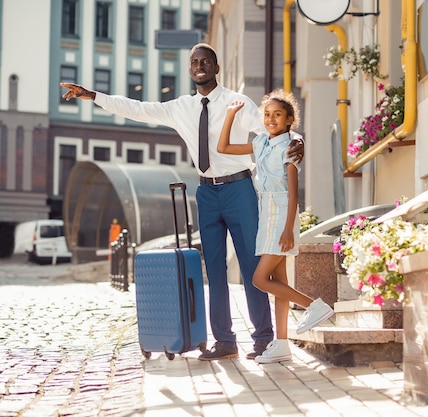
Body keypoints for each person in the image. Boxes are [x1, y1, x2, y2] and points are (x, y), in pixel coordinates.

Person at [60, 43, 304, 361]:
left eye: (205, 61)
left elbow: (271, 130)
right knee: (214, 270)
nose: (199, 65)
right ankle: (226, 341)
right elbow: (138, 108)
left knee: (251, 266)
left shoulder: (237, 102)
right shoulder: (181, 107)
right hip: (205, 193)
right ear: (190, 70)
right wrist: (93, 95)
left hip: (240, 189)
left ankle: (262, 340)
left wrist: (296, 139)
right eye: (194, 62)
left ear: (216, 68)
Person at [217, 89, 334, 364]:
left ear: (289, 119)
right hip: (265, 211)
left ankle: (314, 306)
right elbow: (223, 148)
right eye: (267, 114)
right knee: (279, 282)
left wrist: (288, 229)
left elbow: (293, 194)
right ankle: (281, 344)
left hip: (282, 213)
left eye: (277, 115)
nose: (270, 119)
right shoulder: (260, 143)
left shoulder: (291, 147)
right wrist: (230, 116)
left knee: (259, 279)